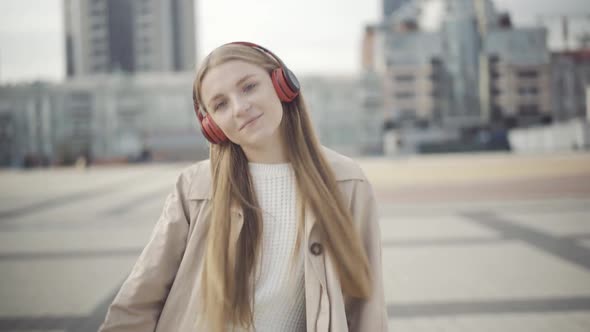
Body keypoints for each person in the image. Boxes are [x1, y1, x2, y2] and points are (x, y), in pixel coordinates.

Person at [98, 42, 387, 332]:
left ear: (282, 84)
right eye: (221, 104)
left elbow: (366, 306)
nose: (240, 108)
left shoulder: (347, 182)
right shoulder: (194, 189)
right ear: (212, 126)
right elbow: (138, 301)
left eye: (248, 87)